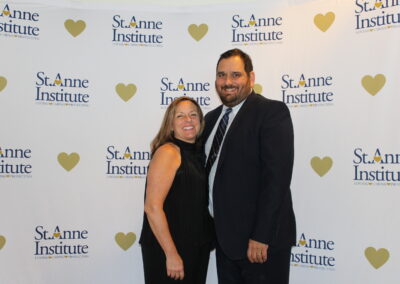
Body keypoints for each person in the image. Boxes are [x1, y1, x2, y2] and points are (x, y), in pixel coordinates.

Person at [203, 48, 296, 284]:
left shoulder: (271, 113)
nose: (227, 82)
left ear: (251, 78)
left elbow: (277, 180)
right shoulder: (210, 119)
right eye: (221, 75)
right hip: (225, 241)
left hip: (260, 245)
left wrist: (260, 236)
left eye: (236, 75)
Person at [139, 97, 213, 284]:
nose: (188, 120)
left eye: (193, 115)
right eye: (180, 116)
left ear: (200, 122)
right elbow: (152, 207)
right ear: (170, 124)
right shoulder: (168, 152)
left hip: (194, 247)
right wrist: (171, 254)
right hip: (170, 250)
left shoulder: (197, 154)